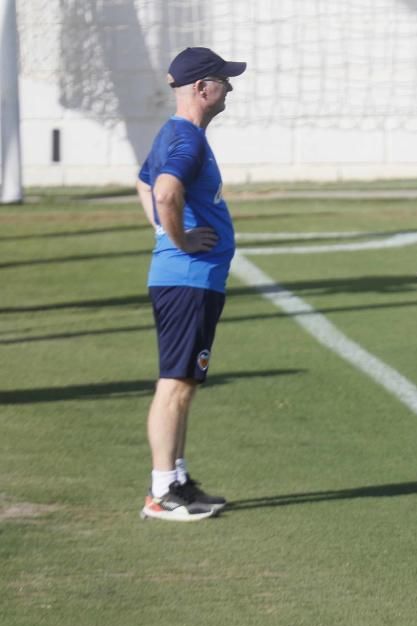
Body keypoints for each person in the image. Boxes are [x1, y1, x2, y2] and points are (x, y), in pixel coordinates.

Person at [135, 47, 246, 521]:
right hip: (187, 281)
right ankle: (162, 491)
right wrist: (177, 239)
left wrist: (162, 232)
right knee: (175, 383)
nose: (230, 87)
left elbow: (143, 182)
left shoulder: (177, 133)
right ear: (202, 88)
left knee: (184, 381)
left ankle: (176, 478)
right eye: (223, 80)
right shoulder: (188, 141)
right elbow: (163, 190)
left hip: (189, 280)